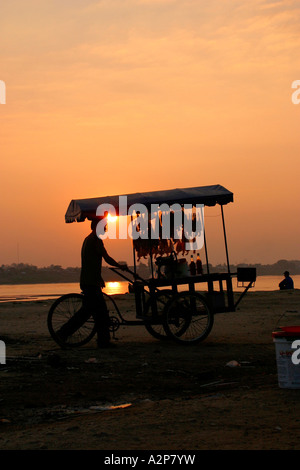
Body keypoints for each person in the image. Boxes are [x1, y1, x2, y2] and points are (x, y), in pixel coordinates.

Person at [58, 218, 127, 348]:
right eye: (104, 227)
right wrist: (119, 265)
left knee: (91, 312)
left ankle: (66, 333)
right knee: (99, 312)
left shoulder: (87, 239)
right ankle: (101, 341)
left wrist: (99, 277)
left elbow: (91, 262)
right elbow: (106, 258)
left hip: (88, 280)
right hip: (90, 283)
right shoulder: (95, 240)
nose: (106, 229)